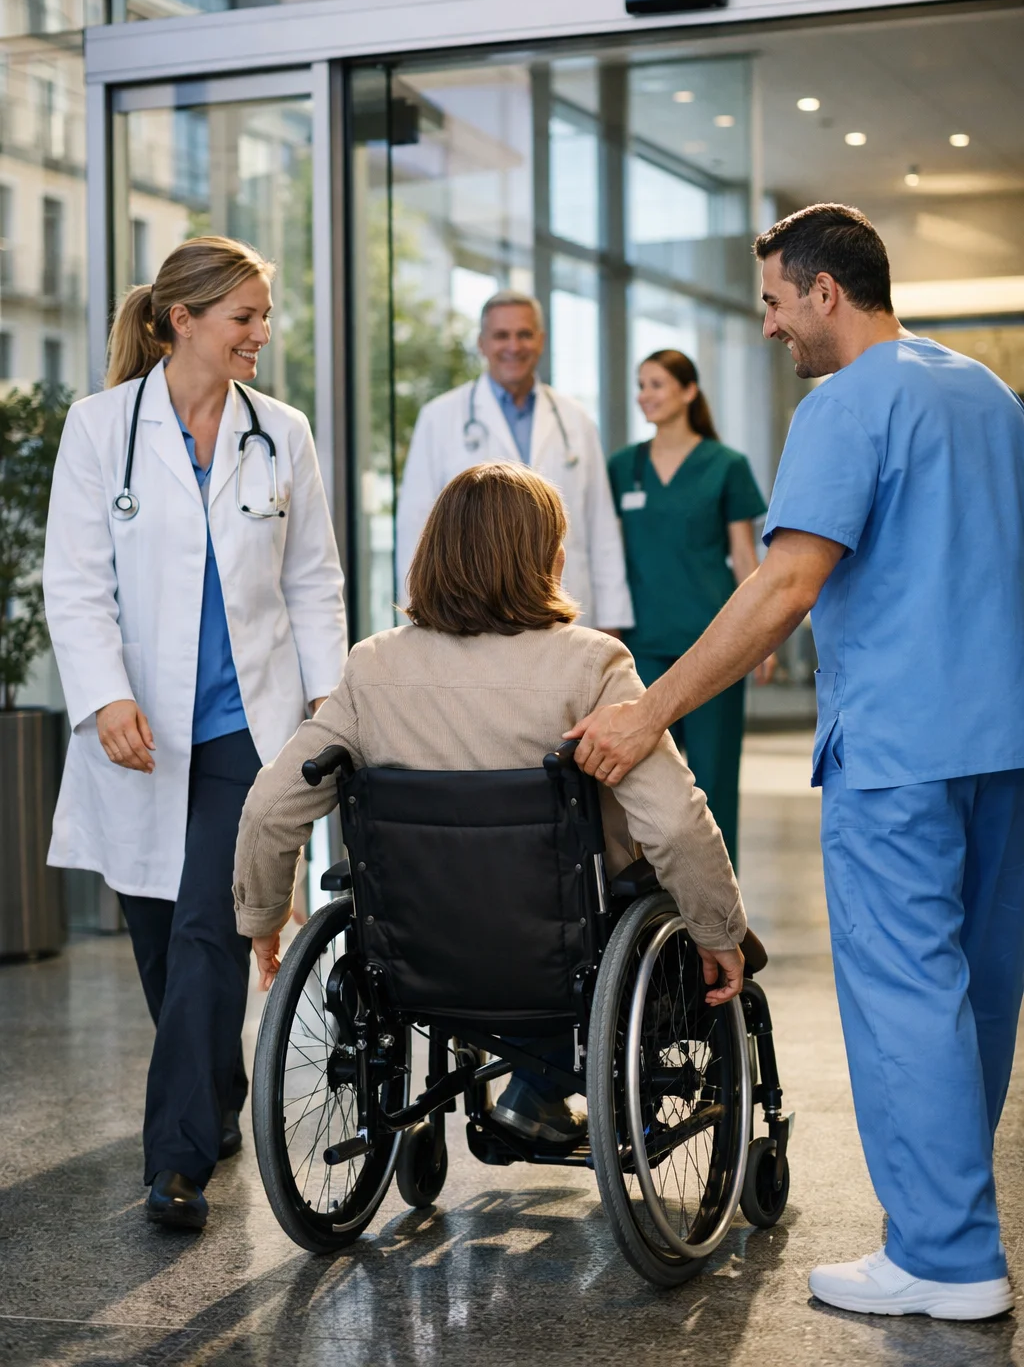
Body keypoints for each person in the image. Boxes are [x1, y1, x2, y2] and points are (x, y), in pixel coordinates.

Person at [568, 203, 1024, 1321]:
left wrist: (647, 713)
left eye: (774, 301)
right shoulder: (986, 394)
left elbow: (781, 587)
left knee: (904, 993)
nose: (768, 328)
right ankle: (943, 1226)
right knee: (977, 992)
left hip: (898, 753)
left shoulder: (843, 404)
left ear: (827, 291)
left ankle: (946, 1255)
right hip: (1004, 739)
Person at [233, 461, 747, 1144]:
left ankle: (537, 1086)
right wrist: (719, 932)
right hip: (563, 952)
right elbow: (677, 826)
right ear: (551, 561)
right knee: (639, 895)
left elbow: (271, 808)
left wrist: (264, 918)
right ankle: (559, 1080)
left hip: (419, 952)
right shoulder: (591, 665)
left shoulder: (373, 667)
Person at [43, 236, 346, 1234]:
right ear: (184, 322)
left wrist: (326, 704)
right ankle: (213, 1094)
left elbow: (313, 582)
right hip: (137, 727)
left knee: (214, 924)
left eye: (263, 315)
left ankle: (174, 1162)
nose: (262, 334)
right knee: (165, 940)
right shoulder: (101, 429)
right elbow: (76, 583)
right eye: (245, 317)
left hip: (243, 728)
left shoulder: (280, 430)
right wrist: (104, 697)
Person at [608, 349, 771, 866]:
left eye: (657, 384)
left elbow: (745, 554)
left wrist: (762, 635)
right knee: (648, 786)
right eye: (641, 385)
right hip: (642, 648)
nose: (645, 395)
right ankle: (656, 911)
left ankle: (723, 912)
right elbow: (603, 554)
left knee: (715, 779)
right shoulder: (622, 467)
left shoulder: (725, 466)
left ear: (688, 391)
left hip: (714, 644)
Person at [395, 290, 633, 632]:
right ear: (481, 343)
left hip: (564, 608)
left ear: (541, 340)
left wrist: (612, 623)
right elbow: (415, 527)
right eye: (501, 335)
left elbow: (601, 529)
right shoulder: (439, 418)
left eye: (524, 334)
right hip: (471, 612)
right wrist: (416, 615)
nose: (513, 346)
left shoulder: (575, 418)